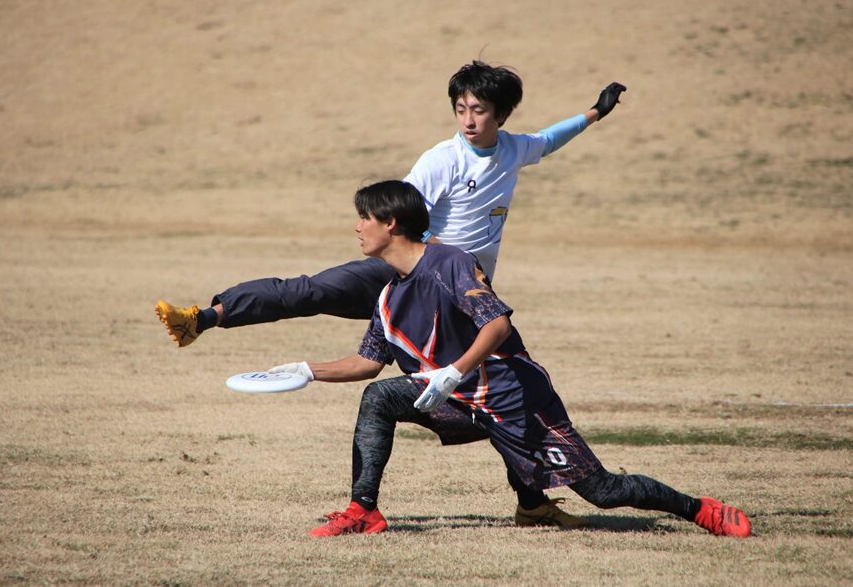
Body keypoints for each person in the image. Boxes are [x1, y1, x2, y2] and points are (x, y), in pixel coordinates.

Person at [156, 61, 627, 529]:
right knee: (308, 291)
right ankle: (204, 316)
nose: (467, 119)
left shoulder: (515, 149)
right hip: (404, 272)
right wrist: (434, 255)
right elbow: (402, 216)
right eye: (460, 108)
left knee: (489, 396)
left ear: (500, 115)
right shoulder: (442, 159)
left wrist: (594, 113)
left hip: (449, 291)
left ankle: (532, 501)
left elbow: (548, 139)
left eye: (478, 109)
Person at [274, 180, 752, 538]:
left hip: (515, 397)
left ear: (390, 223)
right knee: (380, 396)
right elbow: (367, 364)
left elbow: (496, 324)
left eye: (364, 218)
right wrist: (303, 371)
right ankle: (363, 510)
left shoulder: (450, 263)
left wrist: (453, 372)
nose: (357, 227)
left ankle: (698, 509)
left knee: (603, 491)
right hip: (461, 402)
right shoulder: (386, 296)